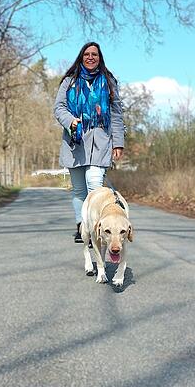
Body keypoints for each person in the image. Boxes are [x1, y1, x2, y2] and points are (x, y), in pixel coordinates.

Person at [54, 42, 126, 243]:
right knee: (79, 189)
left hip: (102, 141)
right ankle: (81, 225)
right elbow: (59, 108)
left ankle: (95, 226)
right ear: (81, 56)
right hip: (75, 141)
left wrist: (118, 142)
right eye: (87, 54)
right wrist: (71, 121)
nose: (91, 57)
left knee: (95, 185)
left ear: (100, 58)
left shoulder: (109, 81)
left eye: (95, 54)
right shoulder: (70, 81)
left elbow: (117, 114)